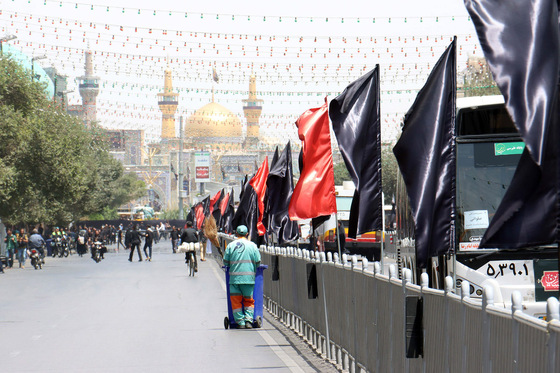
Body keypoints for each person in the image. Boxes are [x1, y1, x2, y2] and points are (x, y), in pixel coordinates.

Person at [223, 225, 261, 329]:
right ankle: (248, 321)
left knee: (236, 301)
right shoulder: (252, 245)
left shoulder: (230, 246)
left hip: (234, 280)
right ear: (247, 234)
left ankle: (240, 322)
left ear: (236, 234)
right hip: (248, 279)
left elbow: (225, 262)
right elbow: (258, 262)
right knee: (248, 300)